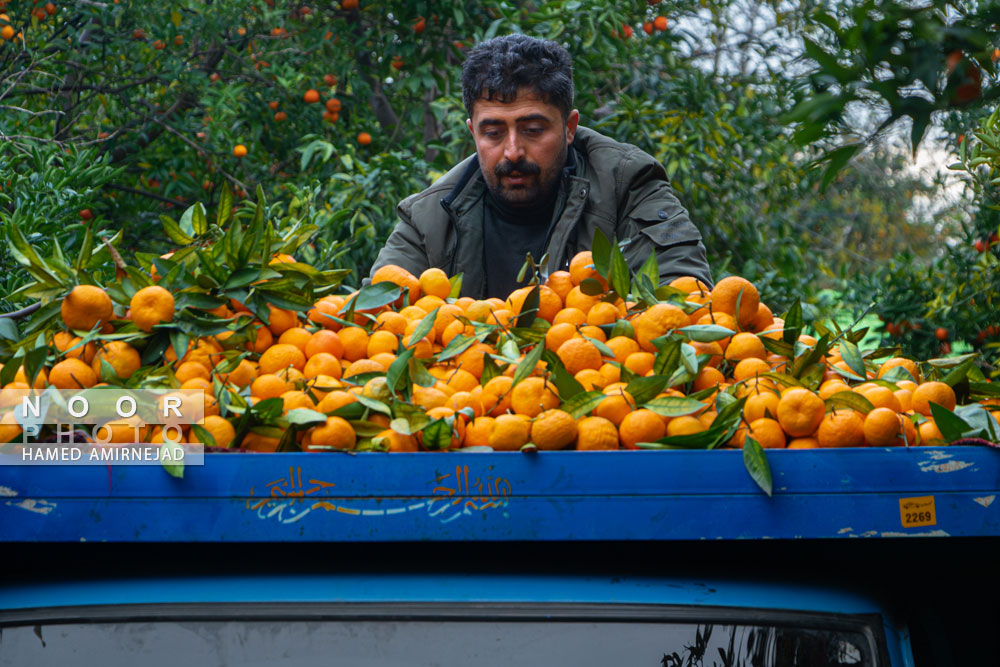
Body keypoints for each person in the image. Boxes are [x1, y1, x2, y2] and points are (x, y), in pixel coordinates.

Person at [367, 34, 713, 299]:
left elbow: (683, 299)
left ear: (569, 128)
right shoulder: (428, 217)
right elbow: (375, 318)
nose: (513, 151)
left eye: (533, 130)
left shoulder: (627, 183)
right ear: (472, 132)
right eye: (493, 132)